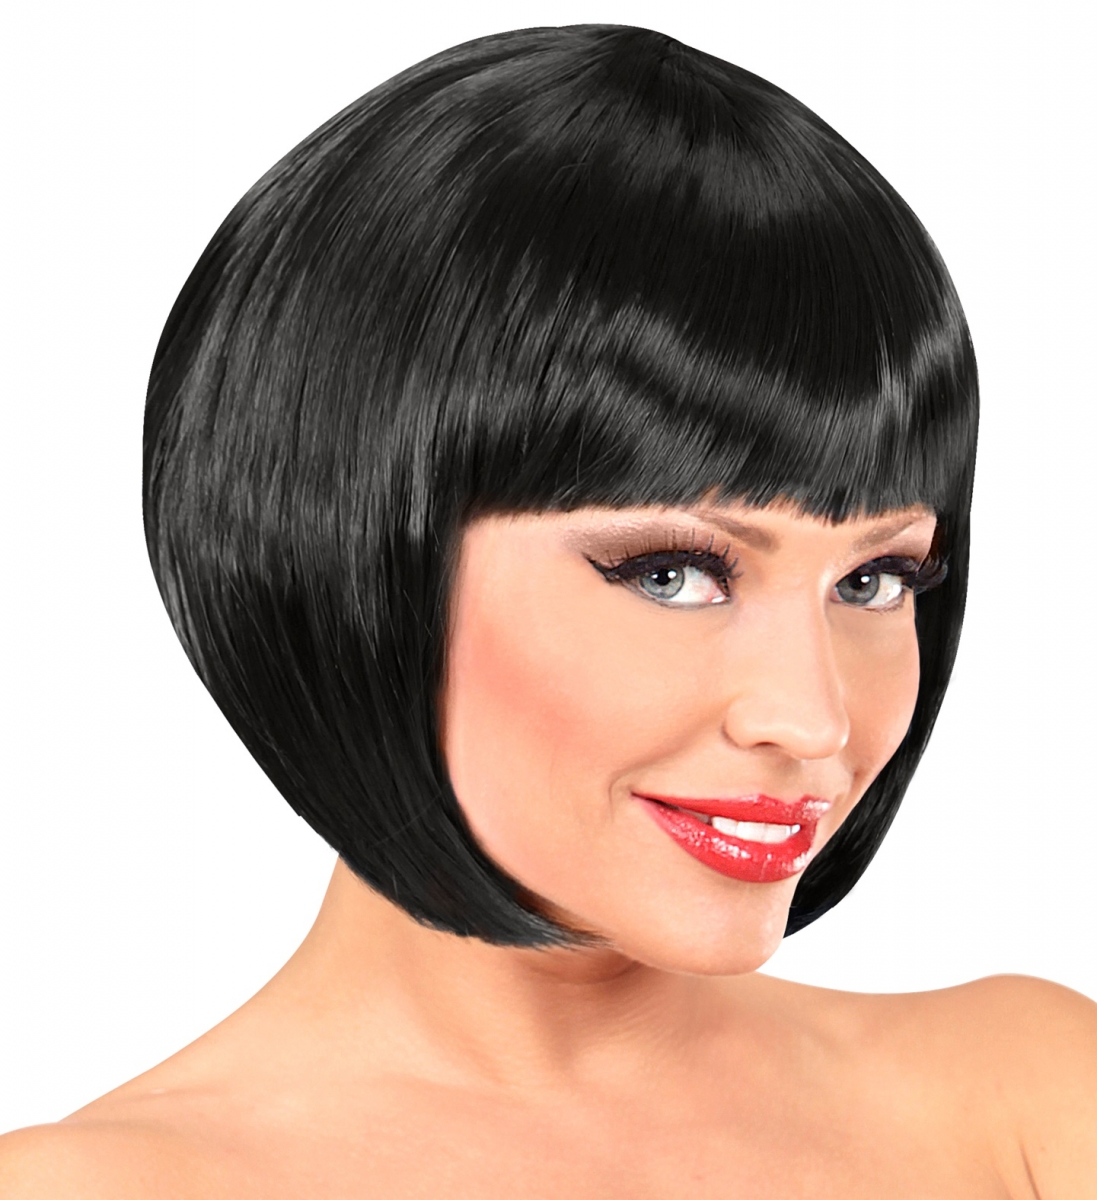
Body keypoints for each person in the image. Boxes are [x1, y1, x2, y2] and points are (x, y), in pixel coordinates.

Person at [2, 23, 1094, 1198]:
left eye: (871, 580)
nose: (811, 719)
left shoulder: (1028, 1093)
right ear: (356, 560)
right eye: (672, 573)